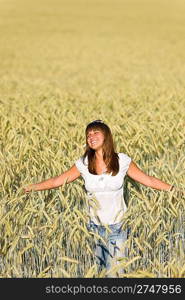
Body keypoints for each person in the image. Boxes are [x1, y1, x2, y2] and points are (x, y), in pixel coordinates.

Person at [24, 120, 175, 276]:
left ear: (106, 136)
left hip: (118, 227)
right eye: (88, 134)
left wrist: (174, 190)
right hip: (94, 228)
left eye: (96, 132)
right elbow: (57, 181)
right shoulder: (83, 163)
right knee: (100, 273)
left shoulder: (122, 160)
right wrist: (32, 187)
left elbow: (148, 180)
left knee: (115, 274)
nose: (91, 136)